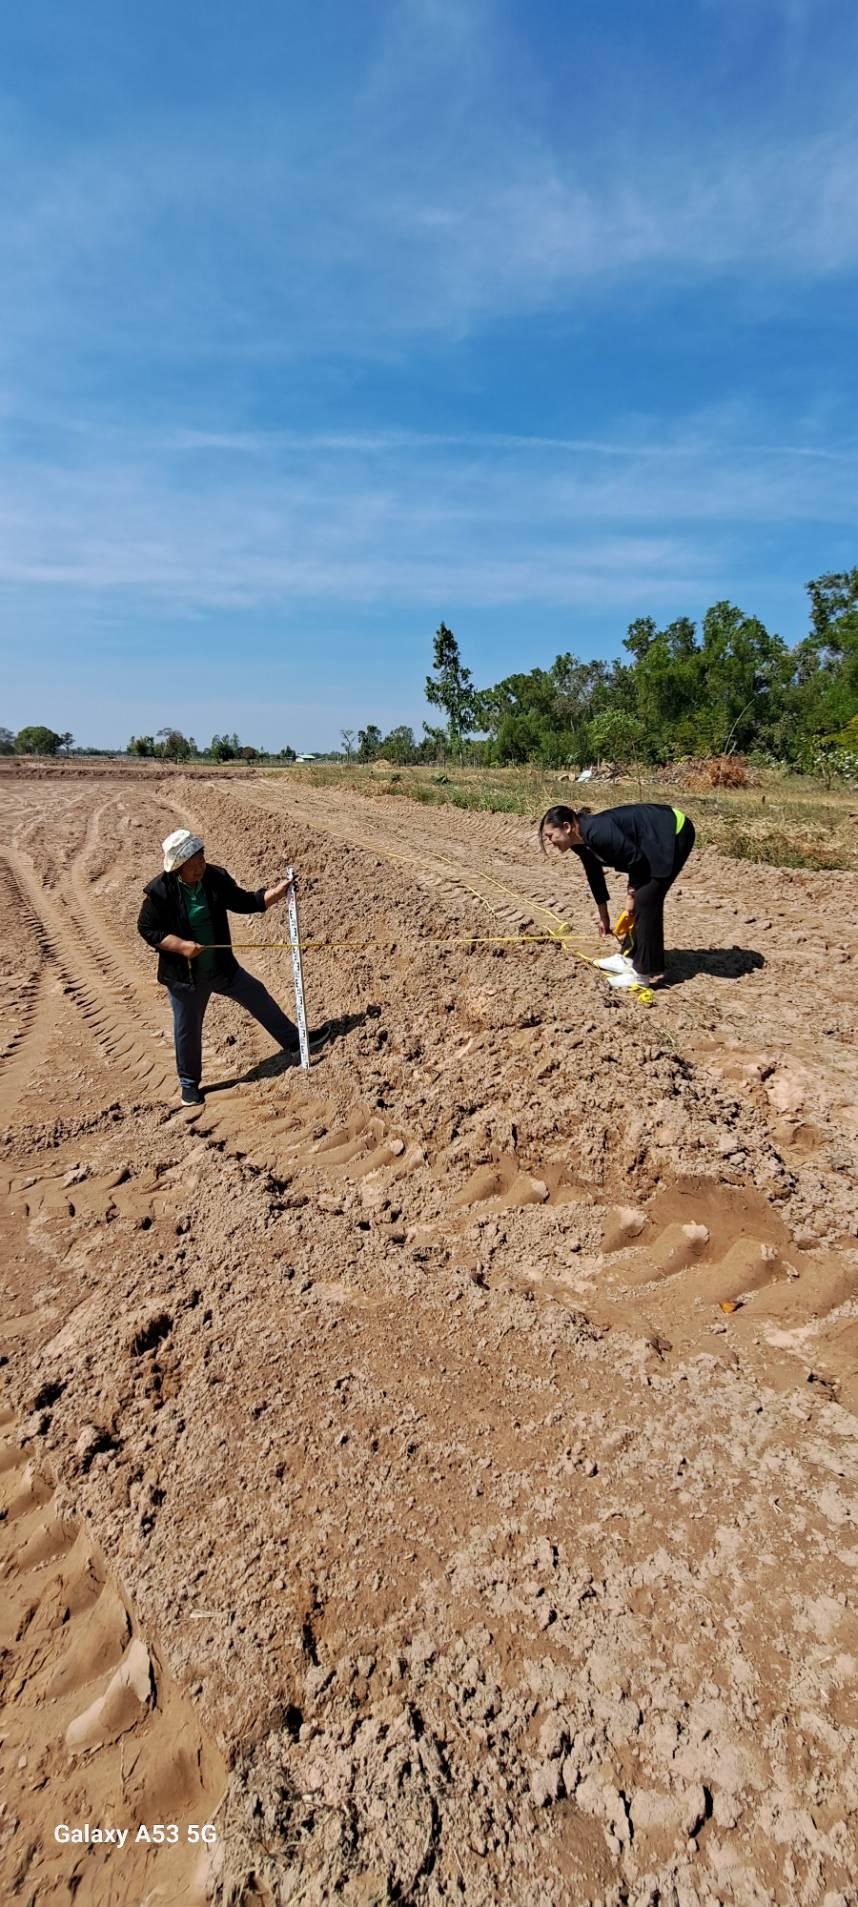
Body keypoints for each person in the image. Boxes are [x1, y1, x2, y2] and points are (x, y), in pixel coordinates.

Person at [138, 829, 328, 1105]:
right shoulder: (160, 892)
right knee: (187, 1030)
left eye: (201, 859)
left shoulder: (214, 877)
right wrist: (180, 946)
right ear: (178, 867)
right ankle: (189, 1085)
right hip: (185, 977)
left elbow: (241, 901)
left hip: (221, 967)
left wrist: (274, 894)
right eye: (193, 865)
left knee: (257, 994)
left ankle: (294, 1042)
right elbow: (147, 929)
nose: (200, 867)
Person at [538, 801, 695, 988]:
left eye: (550, 836)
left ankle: (641, 975)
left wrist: (631, 897)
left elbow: (636, 860)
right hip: (651, 836)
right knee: (642, 897)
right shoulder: (578, 840)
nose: (550, 842)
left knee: (646, 899)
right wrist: (603, 915)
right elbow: (594, 874)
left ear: (567, 827)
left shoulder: (597, 832)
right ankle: (627, 959)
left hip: (671, 831)